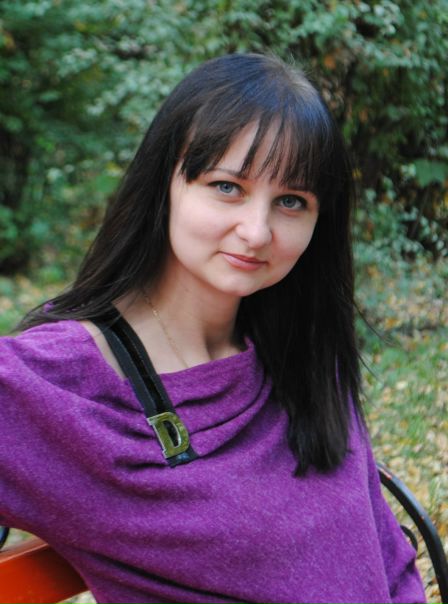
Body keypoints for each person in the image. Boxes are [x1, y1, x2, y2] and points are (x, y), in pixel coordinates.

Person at [0, 53, 426, 604]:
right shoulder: (62, 382)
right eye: (228, 187)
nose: (257, 231)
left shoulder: (304, 351)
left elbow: (385, 555)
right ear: (164, 183)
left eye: (291, 201)